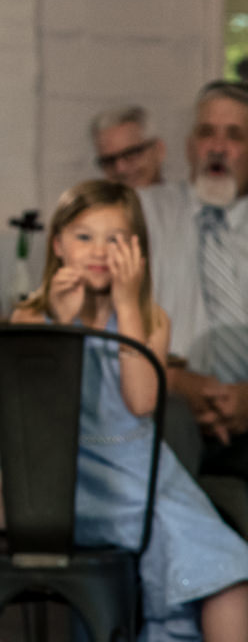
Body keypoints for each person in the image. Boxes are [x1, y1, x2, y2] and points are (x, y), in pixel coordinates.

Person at [14, 179, 248, 641]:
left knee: (230, 579)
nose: (99, 250)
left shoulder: (151, 320)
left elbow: (140, 401)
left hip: (148, 479)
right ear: (58, 245)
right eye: (84, 237)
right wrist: (62, 325)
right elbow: (41, 412)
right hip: (80, 482)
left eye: (115, 239)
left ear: (136, 250)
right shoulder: (30, 316)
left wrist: (127, 304)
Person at [142, 81, 248, 489]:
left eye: (235, 135)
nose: (217, 147)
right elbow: (108, 333)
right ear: (189, 147)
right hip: (163, 399)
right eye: (207, 133)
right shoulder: (146, 213)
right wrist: (175, 381)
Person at [92, 104, 166, 189]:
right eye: (109, 160)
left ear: (159, 150)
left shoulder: (182, 200)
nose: (120, 169)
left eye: (131, 154)